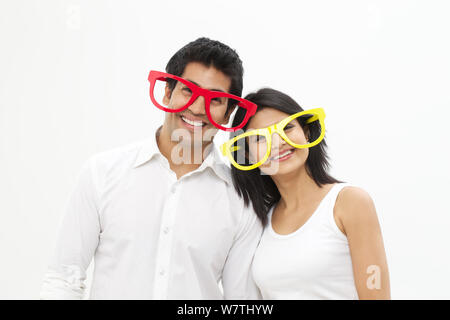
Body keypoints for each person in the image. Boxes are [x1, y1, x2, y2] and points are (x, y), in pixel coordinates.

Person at [40, 37, 263, 299]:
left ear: (228, 114)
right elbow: (63, 279)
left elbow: (240, 301)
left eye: (215, 100)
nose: (197, 108)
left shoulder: (240, 202)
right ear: (167, 93)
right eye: (188, 90)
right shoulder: (102, 173)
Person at [221, 88, 390, 299]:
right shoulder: (259, 220)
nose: (278, 142)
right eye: (260, 138)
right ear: (247, 154)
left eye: (287, 128)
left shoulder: (349, 202)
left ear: (306, 132)